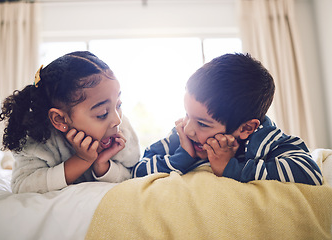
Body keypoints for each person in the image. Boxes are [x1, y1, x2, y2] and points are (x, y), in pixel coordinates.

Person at [132, 53, 323, 185]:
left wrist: (230, 168)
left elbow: (310, 172)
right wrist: (183, 157)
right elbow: (138, 170)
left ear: (247, 128)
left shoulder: (268, 141)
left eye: (202, 123)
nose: (189, 129)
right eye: (187, 114)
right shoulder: (182, 137)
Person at [0, 51, 140, 193]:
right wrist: (82, 160)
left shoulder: (122, 131)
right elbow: (21, 186)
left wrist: (102, 166)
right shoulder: (38, 139)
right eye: (102, 114)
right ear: (60, 119)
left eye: (119, 105)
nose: (117, 119)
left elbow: (133, 174)